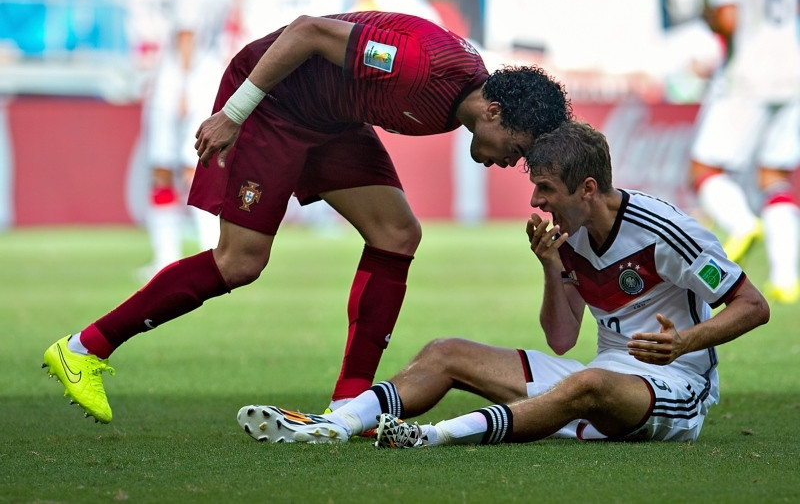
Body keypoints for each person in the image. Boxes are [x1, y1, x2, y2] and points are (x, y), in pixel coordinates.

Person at [42, 11, 573, 423]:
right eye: (517, 149)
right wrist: (234, 112)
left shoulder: (460, 104)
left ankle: (350, 402)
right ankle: (82, 349)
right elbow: (308, 32)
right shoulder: (421, 66)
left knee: (397, 232)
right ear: (495, 113)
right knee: (240, 261)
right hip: (273, 103)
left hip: (330, 119)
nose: (511, 162)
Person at [236, 121, 769, 447]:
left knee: (583, 387)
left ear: (587, 188)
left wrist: (685, 342)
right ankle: (336, 425)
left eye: (545, 189)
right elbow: (562, 339)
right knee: (446, 352)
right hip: (600, 376)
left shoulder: (667, 233)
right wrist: (551, 265)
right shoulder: (572, 233)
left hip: (673, 389)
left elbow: (752, 305)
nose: (536, 202)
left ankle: (431, 437)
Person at [689, 0, 800, 304]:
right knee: (775, 177)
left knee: (704, 170)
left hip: (749, 78)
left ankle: (741, 224)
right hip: (792, 75)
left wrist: (707, 12)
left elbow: (729, 20)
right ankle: (786, 279)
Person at [136, 0, 233, 279]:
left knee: (173, 169)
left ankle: (178, 255)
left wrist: (182, 86)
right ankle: (207, 251)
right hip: (206, 75)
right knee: (189, 166)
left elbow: (186, 34)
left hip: (181, 78)